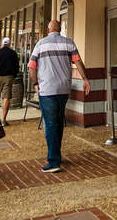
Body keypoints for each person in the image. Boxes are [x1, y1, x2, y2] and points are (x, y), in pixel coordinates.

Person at [28, 19, 90, 173]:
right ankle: (57, 154)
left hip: (47, 89)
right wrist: (85, 79)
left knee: (50, 124)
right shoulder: (69, 43)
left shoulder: (40, 45)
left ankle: (54, 161)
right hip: (63, 89)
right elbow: (78, 62)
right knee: (58, 120)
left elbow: (32, 67)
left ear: (48, 30)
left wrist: (36, 84)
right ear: (60, 29)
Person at [0, 36, 20, 126]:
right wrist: (13, 76)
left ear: (2, 43)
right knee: (6, 97)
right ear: (9, 44)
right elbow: (16, 66)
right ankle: (3, 119)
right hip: (8, 77)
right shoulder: (13, 53)